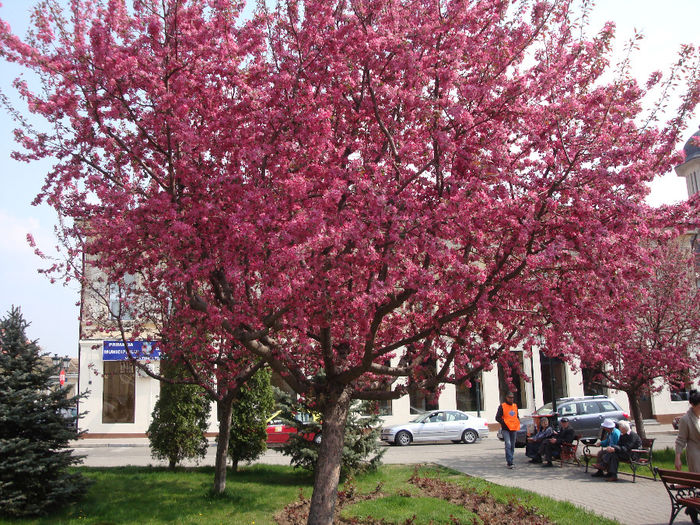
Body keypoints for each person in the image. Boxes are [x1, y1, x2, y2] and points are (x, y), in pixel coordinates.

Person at [675, 390, 700, 524]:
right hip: (695, 455)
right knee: (698, 482)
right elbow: (681, 440)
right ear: (694, 405)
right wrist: (677, 457)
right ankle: (693, 507)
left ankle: (692, 507)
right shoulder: (686, 419)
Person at [496, 391, 520, 469]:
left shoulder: (515, 406)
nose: (511, 399)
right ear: (506, 398)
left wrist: (517, 422)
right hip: (506, 429)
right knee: (508, 444)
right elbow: (497, 417)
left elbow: (516, 416)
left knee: (512, 445)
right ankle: (510, 462)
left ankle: (511, 459)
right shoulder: (502, 406)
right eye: (510, 397)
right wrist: (504, 423)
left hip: (514, 428)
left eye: (512, 397)